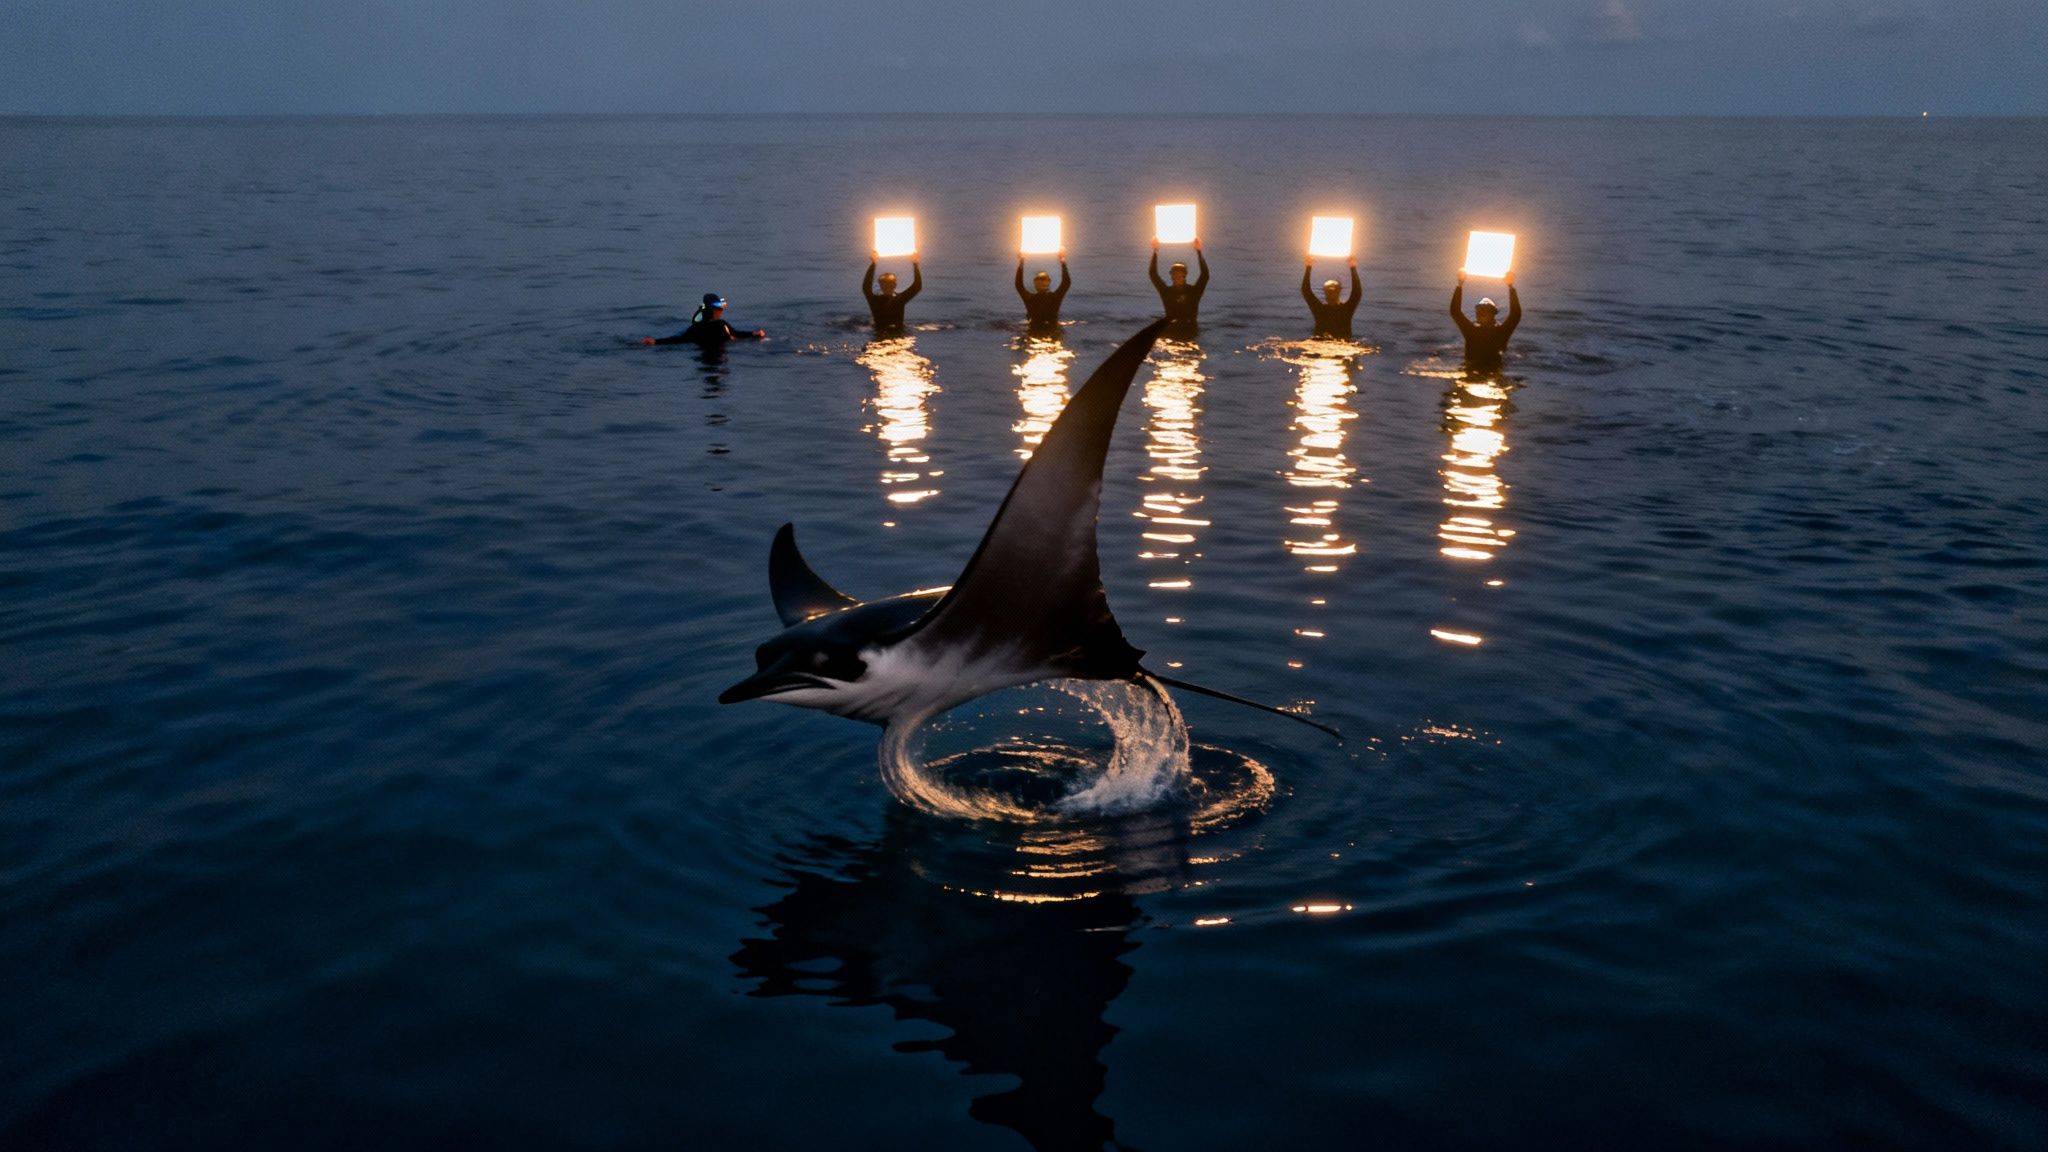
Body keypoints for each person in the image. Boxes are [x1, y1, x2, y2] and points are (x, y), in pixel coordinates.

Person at [1450, 270, 1521, 375]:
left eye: (1484, 309)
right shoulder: (1471, 331)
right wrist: (1459, 285)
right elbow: (1455, 311)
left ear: (1493, 313)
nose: (1480, 312)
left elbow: (1515, 315)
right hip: (1472, 371)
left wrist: (1511, 286)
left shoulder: (1501, 333)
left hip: (1492, 372)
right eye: (1478, 310)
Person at [642, 293, 765, 346]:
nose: (721, 310)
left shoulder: (694, 328)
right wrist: (755, 334)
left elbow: (677, 340)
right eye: (720, 308)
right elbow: (737, 334)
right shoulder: (721, 325)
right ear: (714, 310)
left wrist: (655, 342)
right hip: (723, 350)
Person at [1148, 237, 1209, 339]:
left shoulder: (1194, 291)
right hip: (1171, 329)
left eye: (1179, 273)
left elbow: (1205, 275)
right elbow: (1153, 274)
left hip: (1190, 329)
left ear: (1185, 275)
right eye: (1174, 273)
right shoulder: (1166, 292)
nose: (1177, 276)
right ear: (1171, 275)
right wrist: (1155, 251)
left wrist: (1199, 251)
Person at [1302, 256, 1361, 340]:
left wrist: (1308, 267)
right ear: (1339, 291)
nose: (1332, 294)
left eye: (1332, 292)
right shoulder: (1347, 309)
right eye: (1330, 292)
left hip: (1320, 345)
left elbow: (1306, 291)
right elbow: (1357, 293)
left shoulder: (1319, 309)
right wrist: (1353, 268)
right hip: (1343, 346)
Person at [863, 253, 922, 336]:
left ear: (895, 285)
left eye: (890, 283)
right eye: (885, 283)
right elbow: (866, 287)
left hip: (883, 333)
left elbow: (917, 286)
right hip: (888, 333)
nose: (887, 285)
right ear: (880, 285)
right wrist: (915, 263)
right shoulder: (896, 299)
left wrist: (915, 263)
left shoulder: (898, 299)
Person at [1015, 250, 1071, 337]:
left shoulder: (1054, 298)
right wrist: (1021, 262)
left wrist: (1063, 260)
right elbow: (1019, 285)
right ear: (1035, 283)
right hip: (1040, 330)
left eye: (1045, 279)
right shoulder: (1030, 298)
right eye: (1040, 280)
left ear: (1049, 282)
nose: (1043, 282)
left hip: (1045, 330)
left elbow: (1066, 283)